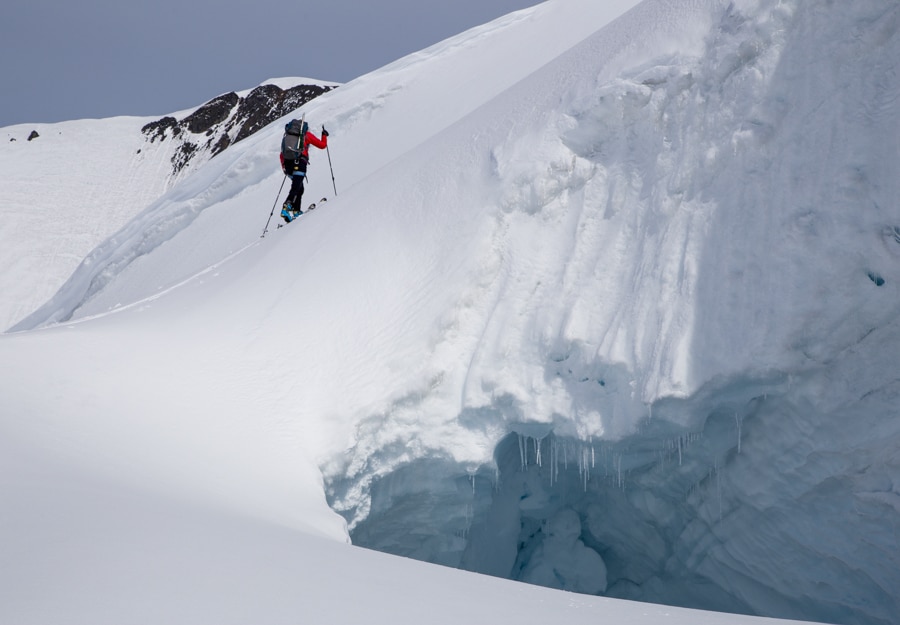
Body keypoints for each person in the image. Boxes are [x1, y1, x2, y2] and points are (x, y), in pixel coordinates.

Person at [280, 121, 329, 222]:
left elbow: (282, 154)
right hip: (300, 163)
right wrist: (324, 135)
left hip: (288, 166)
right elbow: (322, 145)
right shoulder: (306, 135)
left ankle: (296, 210)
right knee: (296, 187)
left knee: (299, 188)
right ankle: (286, 207)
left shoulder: (287, 137)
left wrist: (284, 168)